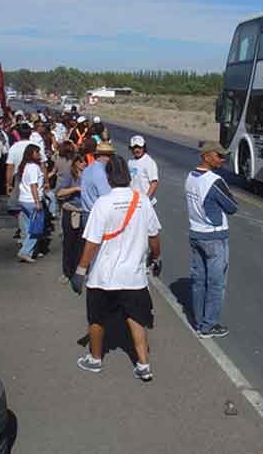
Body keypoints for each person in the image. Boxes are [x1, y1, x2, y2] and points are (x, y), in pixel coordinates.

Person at [73, 155, 162, 381]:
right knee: (136, 318)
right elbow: (154, 236)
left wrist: (80, 271)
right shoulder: (142, 201)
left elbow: (92, 242)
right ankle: (143, 364)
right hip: (133, 276)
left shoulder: (102, 204)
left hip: (103, 276)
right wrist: (157, 257)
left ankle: (94, 359)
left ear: (108, 176)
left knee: (97, 318)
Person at [185, 142, 238, 338]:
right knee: (216, 284)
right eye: (219, 156)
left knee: (199, 281)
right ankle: (209, 325)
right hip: (214, 237)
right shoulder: (214, 181)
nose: (222, 160)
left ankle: (199, 322)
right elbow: (232, 207)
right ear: (207, 156)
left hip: (196, 233)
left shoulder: (190, 177)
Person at [57, 155, 87, 283]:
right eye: (80, 161)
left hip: (84, 212)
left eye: (85, 161)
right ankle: (67, 272)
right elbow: (59, 193)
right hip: (71, 211)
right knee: (69, 243)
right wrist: (75, 189)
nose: (83, 164)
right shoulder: (70, 176)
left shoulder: (88, 176)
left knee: (82, 244)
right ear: (75, 163)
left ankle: (79, 271)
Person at [17, 144, 44, 263]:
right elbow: (33, 185)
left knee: (29, 227)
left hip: (24, 199)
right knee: (36, 229)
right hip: (32, 200)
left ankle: (32, 250)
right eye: (37, 153)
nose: (39, 155)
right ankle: (25, 251)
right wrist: (37, 202)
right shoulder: (33, 167)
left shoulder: (26, 166)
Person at [80, 141, 114, 228]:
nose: (110, 158)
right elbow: (106, 197)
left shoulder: (88, 169)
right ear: (99, 156)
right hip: (96, 216)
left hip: (86, 213)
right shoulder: (100, 173)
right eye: (107, 155)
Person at [128, 135, 159, 205]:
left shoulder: (149, 162)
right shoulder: (130, 162)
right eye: (134, 148)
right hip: (134, 201)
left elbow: (154, 183)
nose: (137, 150)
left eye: (139, 147)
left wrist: (146, 199)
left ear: (144, 147)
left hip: (146, 202)